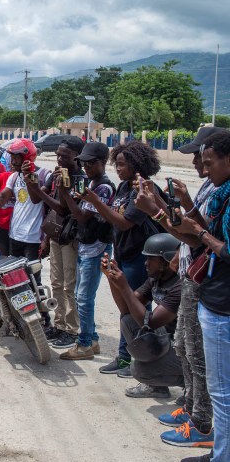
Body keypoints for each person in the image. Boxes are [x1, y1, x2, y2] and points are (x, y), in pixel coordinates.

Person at [133, 128, 224, 453]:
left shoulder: (222, 191)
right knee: (185, 348)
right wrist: (167, 204)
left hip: (206, 284)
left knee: (198, 356)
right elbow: (192, 229)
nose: (199, 163)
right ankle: (190, 405)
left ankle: (201, 423)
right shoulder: (211, 188)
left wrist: (156, 211)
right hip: (194, 277)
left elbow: (199, 236)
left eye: (202, 157)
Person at [168, 130, 230, 462]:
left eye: (208, 161)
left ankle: (216, 450)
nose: (202, 168)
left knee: (221, 391)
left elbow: (218, 242)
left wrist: (200, 232)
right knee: (191, 355)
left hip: (221, 300)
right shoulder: (220, 191)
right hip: (210, 289)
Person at [84, 140, 162, 376]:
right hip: (123, 254)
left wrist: (96, 202)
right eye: (116, 164)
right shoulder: (124, 188)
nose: (118, 169)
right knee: (125, 311)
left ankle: (142, 361)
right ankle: (125, 357)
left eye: (122, 165)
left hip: (140, 259)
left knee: (138, 310)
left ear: (137, 165)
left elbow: (124, 223)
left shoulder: (143, 190)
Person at [101, 234, 186, 402]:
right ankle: (158, 388)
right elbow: (126, 309)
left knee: (140, 370)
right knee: (128, 320)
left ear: (165, 261)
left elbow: (151, 322)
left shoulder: (180, 285)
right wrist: (112, 279)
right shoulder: (156, 278)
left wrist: (124, 285)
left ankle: (193, 386)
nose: (145, 263)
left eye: (150, 259)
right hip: (168, 339)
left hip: (187, 348)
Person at [57, 142, 115, 360]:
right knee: (82, 296)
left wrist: (66, 194)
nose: (87, 166)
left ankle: (84, 345)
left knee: (84, 297)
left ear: (102, 163)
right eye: (84, 162)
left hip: (96, 247)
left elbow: (81, 216)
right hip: (86, 245)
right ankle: (93, 339)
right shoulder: (91, 182)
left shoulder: (104, 187)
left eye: (91, 163)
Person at [25, 137, 85, 348]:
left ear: (77, 157)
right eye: (58, 155)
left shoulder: (79, 179)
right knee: (57, 282)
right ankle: (59, 324)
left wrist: (43, 190)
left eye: (65, 156)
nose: (59, 159)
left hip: (70, 237)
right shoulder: (56, 175)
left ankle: (71, 328)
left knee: (69, 285)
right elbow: (38, 201)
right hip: (56, 236)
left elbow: (62, 209)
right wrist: (32, 183)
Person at [0, 138, 50, 284]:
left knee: (33, 279)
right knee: (16, 278)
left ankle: (39, 306)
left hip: (33, 237)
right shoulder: (14, 177)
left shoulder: (45, 175)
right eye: (11, 157)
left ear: (27, 157)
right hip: (15, 235)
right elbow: (0, 202)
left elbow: (36, 199)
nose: (12, 162)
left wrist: (29, 178)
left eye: (16, 158)